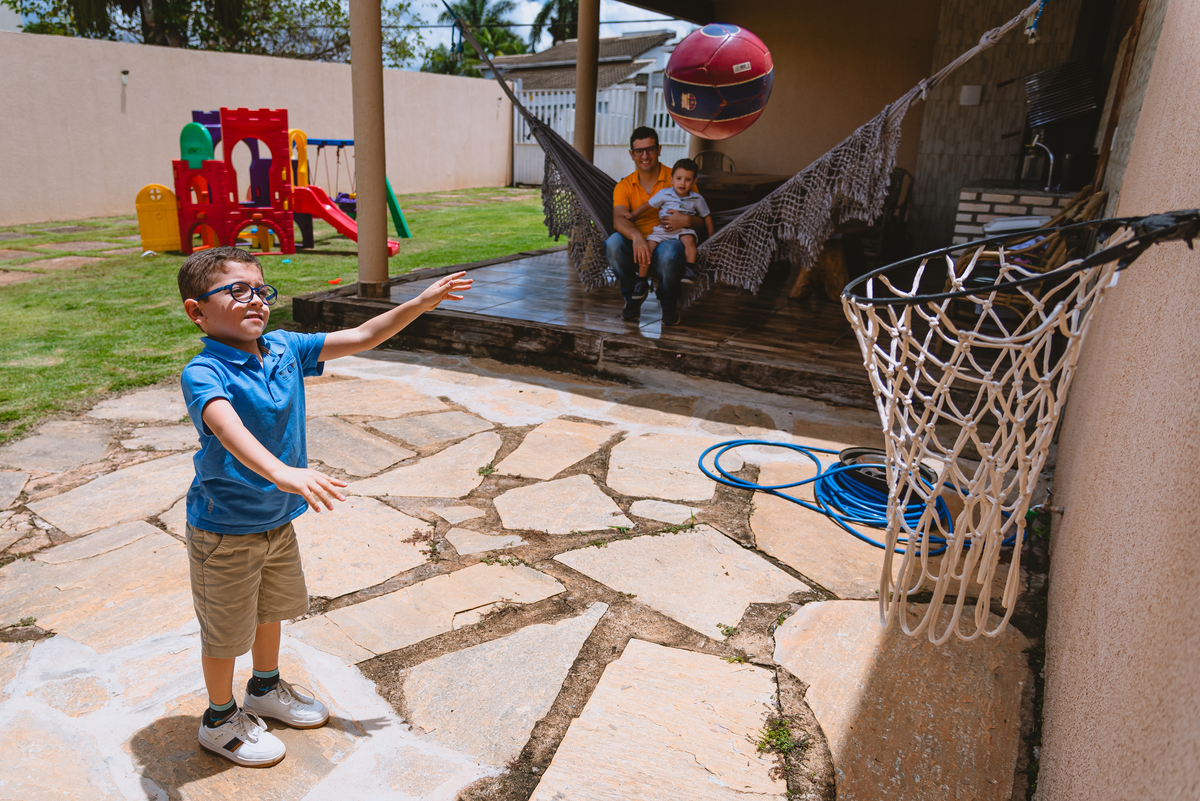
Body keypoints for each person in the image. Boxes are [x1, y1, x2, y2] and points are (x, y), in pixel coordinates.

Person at [177, 245, 470, 767]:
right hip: (224, 529)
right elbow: (227, 426)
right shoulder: (204, 372)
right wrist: (283, 472)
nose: (255, 300)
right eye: (236, 290)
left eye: (261, 290)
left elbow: (361, 336)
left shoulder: (284, 348)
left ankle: (264, 689)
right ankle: (219, 719)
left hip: (276, 522)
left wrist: (421, 303)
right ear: (197, 311)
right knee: (225, 633)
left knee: (270, 612)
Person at [606, 126, 710, 326]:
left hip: (671, 238)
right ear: (632, 154)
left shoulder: (680, 178)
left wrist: (687, 220)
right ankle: (633, 299)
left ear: (659, 150)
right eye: (639, 151)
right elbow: (619, 219)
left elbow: (701, 223)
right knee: (613, 243)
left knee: (669, 253)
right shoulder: (625, 186)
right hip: (636, 241)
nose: (645, 155)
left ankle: (669, 303)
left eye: (650, 149)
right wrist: (636, 237)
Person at [622, 157, 713, 293]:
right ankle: (641, 280)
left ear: (694, 182)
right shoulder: (665, 194)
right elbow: (648, 205)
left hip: (684, 230)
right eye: (679, 178)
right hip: (662, 231)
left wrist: (711, 237)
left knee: (689, 241)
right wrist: (633, 215)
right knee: (647, 249)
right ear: (671, 180)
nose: (682, 183)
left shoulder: (697, 199)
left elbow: (707, 217)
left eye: (687, 180)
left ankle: (689, 270)